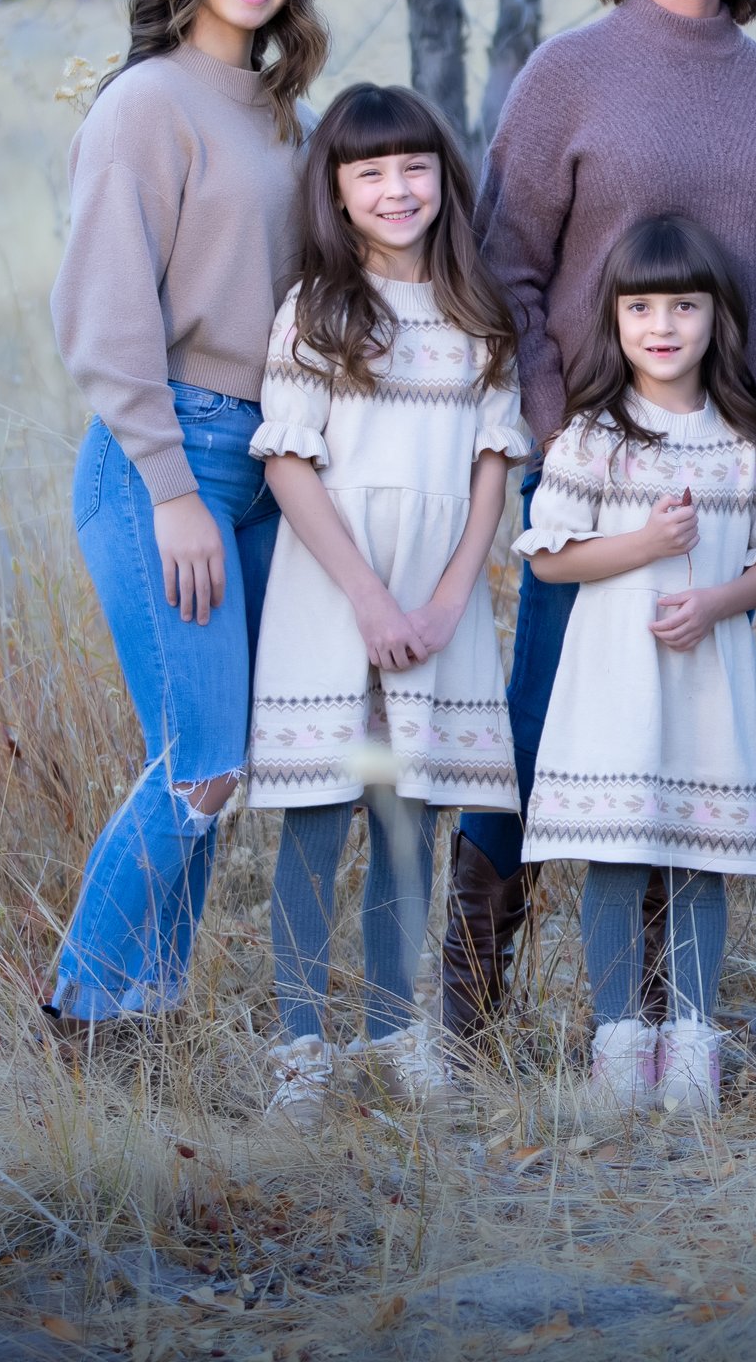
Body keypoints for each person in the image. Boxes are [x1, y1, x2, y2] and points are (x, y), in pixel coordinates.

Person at [445, 0, 756, 1048]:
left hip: (731, 472)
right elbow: (504, 266)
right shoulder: (567, 72)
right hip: (592, 470)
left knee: (694, 715)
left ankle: (668, 1018)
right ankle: (472, 983)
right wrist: (567, 432)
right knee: (546, 714)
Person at [46, 0, 328, 1034]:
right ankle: (79, 1010)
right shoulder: (145, 103)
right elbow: (105, 320)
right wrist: (169, 489)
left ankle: (143, 1023)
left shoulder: (283, 111)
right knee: (200, 762)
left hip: (262, 462)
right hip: (167, 459)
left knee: (217, 770)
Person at [244, 83, 530, 1125]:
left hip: (437, 608)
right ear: (336, 190)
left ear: (442, 179)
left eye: (413, 166)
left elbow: (494, 466)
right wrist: (367, 599)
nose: (395, 187)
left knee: (408, 823)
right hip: (334, 597)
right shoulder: (318, 310)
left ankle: (394, 1032)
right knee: (318, 823)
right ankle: (301, 1048)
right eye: (369, 171)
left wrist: (450, 599)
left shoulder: (477, 312)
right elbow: (288, 465)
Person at [516, 215, 756, 1117]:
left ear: (715, 317)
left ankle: (690, 1039)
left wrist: (719, 601)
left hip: (705, 684)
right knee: (614, 857)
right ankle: (620, 1040)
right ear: (613, 319)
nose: (662, 325)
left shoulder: (746, 442)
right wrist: (643, 541)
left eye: (682, 306)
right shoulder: (593, 437)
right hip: (614, 684)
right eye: (640, 306)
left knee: (697, 858)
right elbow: (549, 559)